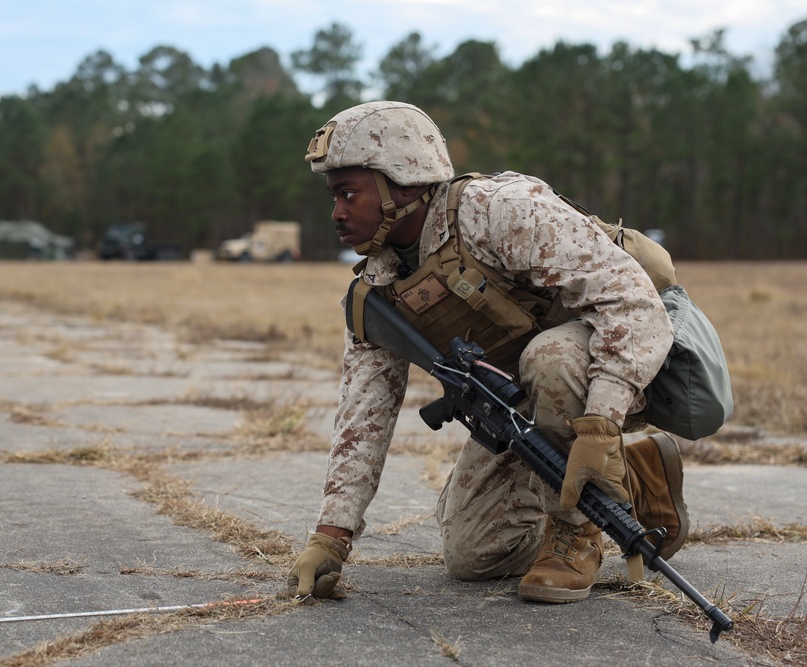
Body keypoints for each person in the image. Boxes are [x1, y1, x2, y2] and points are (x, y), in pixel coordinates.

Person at [287, 101, 689, 605]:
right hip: (520, 405)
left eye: (349, 193)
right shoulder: (380, 286)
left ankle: (575, 535)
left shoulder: (499, 211)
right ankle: (641, 476)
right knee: (474, 555)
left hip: (615, 367)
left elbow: (632, 301)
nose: (337, 213)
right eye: (333, 196)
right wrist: (332, 537)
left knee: (551, 357)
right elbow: (363, 415)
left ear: (404, 184)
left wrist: (602, 423)